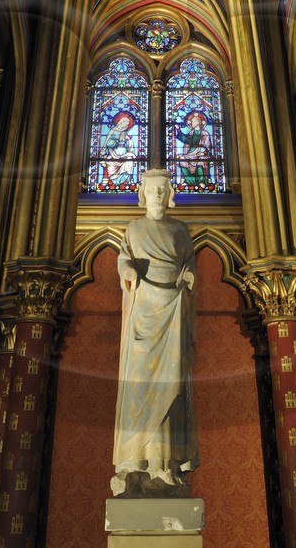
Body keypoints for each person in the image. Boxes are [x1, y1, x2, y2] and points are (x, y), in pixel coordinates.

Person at [113, 169, 199, 497]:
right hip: (143, 316)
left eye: (162, 191)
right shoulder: (134, 229)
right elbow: (123, 259)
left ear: (170, 194)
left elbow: (189, 263)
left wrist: (188, 276)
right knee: (140, 388)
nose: (157, 196)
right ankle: (135, 465)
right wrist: (128, 270)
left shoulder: (180, 229)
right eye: (152, 191)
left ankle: (165, 466)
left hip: (173, 311)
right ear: (143, 193)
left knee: (170, 388)